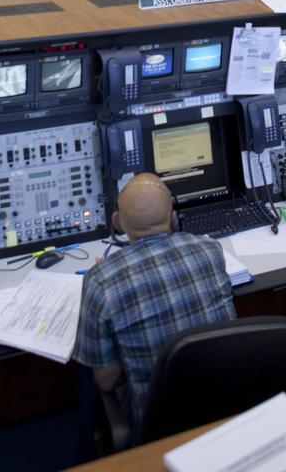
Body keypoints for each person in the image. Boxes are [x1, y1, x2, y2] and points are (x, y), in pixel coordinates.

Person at [73, 173, 235, 440]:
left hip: (157, 425)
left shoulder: (101, 282)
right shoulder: (210, 249)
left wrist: (105, 276)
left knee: (87, 373)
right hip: (226, 405)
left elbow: (107, 380)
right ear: (173, 217)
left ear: (118, 223)